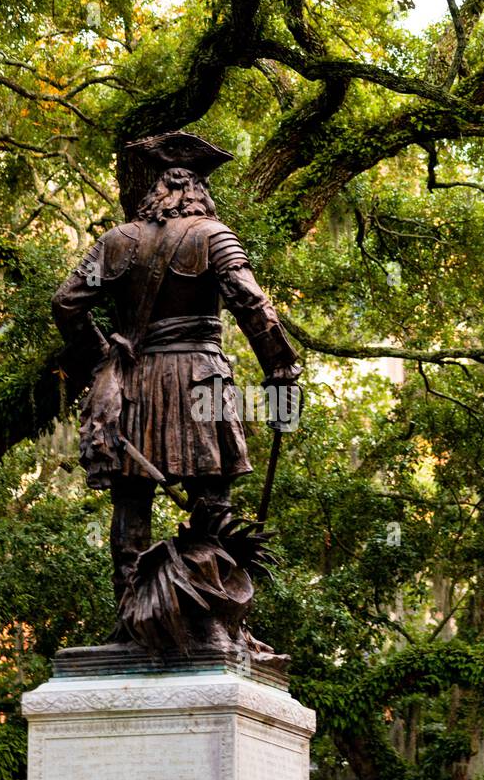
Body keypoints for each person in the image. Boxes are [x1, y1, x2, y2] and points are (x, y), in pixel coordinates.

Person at [52, 130, 301, 603]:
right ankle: (217, 607)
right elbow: (251, 304)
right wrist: (280, 369)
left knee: (130, 502)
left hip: (135, 384)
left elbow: (66, 303)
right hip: (200, 382)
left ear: (155, 192)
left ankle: (130, 613)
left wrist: (103, 356)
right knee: (212, 498)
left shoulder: (115, 242)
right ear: (200, 192)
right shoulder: (214, 237)